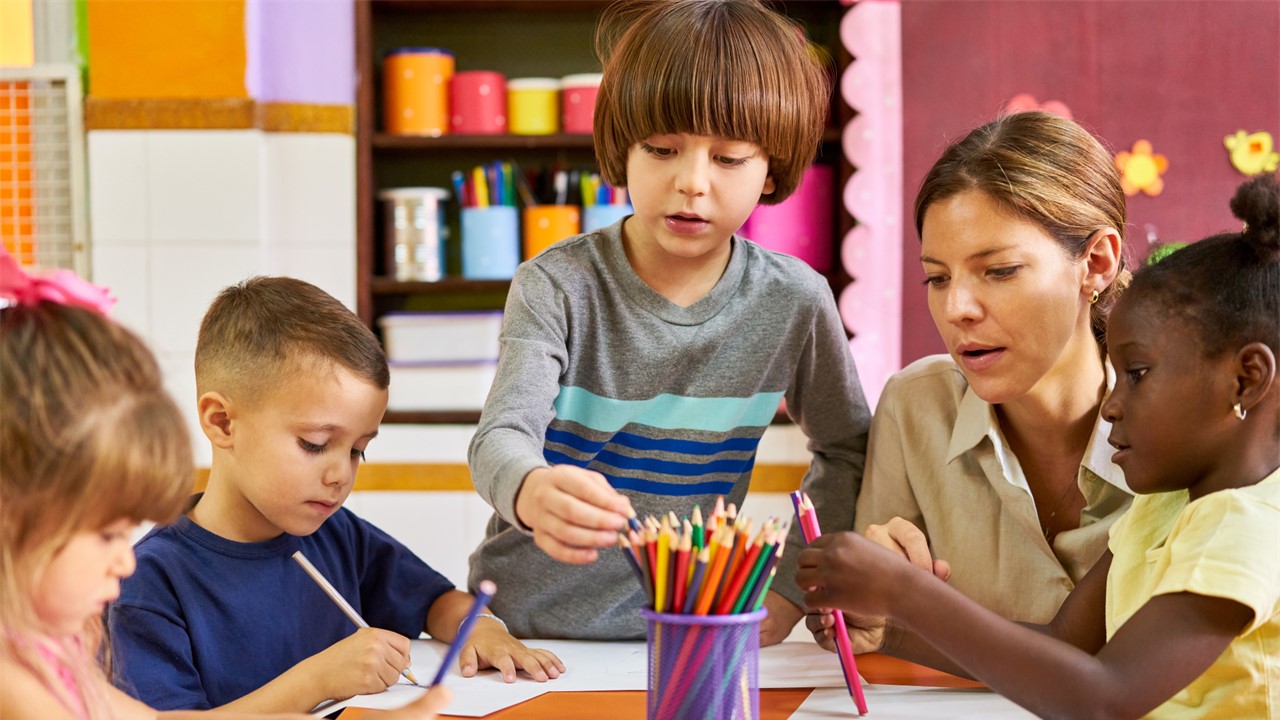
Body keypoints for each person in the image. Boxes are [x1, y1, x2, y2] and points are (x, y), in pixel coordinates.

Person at [799, 174, 1280, 718]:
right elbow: (1064, 645)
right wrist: (890, 626)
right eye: (935, 277)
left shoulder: (1245, 526)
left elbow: (1104, 695)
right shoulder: (1166, 505)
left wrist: (907, 593)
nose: (1112, 405)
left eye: (1138, 374)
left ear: (1246, 380)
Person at [467, 0, 869, 643]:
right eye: (661, 149)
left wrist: (793, 590)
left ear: (772, 170)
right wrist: (530, 490)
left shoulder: (795, 299)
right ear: (622, 150)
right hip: (526, 635)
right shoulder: (555, 284)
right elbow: (499, 436)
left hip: (695, 628)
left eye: (730, 158)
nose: (692, 183)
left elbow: (847, 449)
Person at [0, 253, 453, 720]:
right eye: (108, 534)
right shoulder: (14, 683)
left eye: (359, 449)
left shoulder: (47, 659)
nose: (124, 557)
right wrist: (316, 681)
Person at [108, 277, 563, 713]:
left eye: (357, 451)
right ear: (223, 422)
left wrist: (479, 628)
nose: (340, 475)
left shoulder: (336, 534)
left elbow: (434, 601)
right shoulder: (149, 582)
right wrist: (315, 682)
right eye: (314, 444)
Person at [808, 111, 1136, 654]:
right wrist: (855, 613)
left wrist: (909, 619)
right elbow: (877, 629)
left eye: (1000, 270)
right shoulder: (915, 405)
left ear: (1096, 263)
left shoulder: (1185, 425)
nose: (956, 309)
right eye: (937, 278)